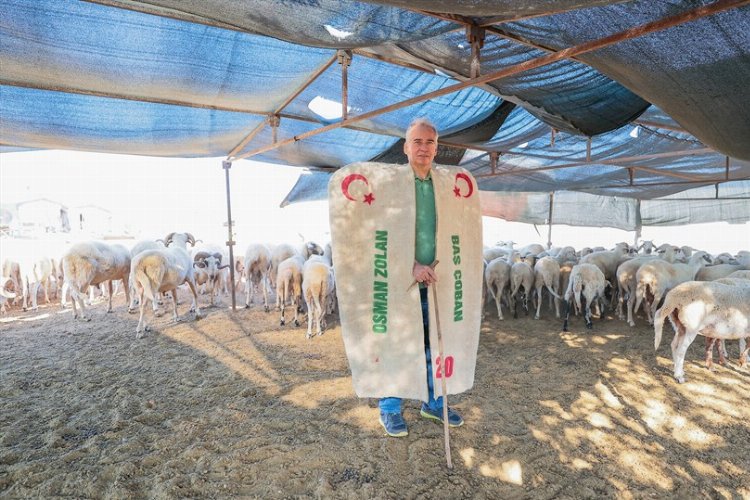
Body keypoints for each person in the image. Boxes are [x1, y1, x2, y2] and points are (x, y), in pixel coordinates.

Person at [378, 118, 465, 438]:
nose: (424, 148)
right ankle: (389, 407)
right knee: (400, 343)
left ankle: (433, 402)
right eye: (417, 141)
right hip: (402, 279)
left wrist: (456, 265)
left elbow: (458, 227)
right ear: (405, 147)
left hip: (437, 278)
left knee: (435, 344)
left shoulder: (445, 186)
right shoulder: (392, 186)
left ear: (437, 147)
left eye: (429, 142)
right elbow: (383, 233)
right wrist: (409, 264)